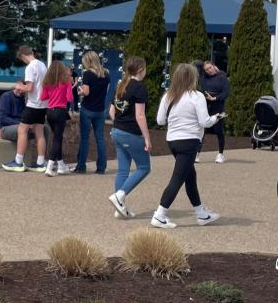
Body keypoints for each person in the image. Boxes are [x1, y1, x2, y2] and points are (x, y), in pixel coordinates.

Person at [151, 63, 221, 229]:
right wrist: (216, 118)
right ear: (192, 78)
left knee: (190, 176)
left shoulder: (168, 95)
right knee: (178, 179)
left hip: (172, 141)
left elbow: (160, 120)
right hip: (189, 141)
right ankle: (160, 214)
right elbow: (204, 122)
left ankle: (201, 214)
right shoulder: (196, 96)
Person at [108, 56, 151, 218]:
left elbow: (111, 111)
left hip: (116, 132)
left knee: (123, 171)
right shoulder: (139, 87)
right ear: (141, 70)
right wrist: (147, 138)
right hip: (131, 134)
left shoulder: (121, 85)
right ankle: (119, 197)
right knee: (144, 168)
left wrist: (119, 124)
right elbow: (140, 116)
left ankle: (119, 207)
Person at [2, 44, 47, 172]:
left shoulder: (30, 67)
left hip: (33, 104)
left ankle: (18, 161)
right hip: (43, 104)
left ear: (22, 55)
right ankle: (40, 162)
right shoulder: (42, 65)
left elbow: (29, 88)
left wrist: (18, 86)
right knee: (40, 132)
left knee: (22, 130)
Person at [75, 51, 110, 174]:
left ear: (88, 61)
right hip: (100, 109)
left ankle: (81, 166)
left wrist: (80, 90)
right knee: (100, 138)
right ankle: (101, 167)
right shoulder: (106, 73)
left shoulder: (88, 74)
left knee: (85, 138)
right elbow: (106, 91)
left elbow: (86, 92)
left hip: (88, 108)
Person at [39, 59, 74, 176]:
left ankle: (61, 165)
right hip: (60, 111)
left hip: (49, 112)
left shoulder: (47, 82)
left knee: (56, 138)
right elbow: (70, 98)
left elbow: (43, 97)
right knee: (57, 139)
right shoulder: (66, 81)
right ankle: (49, 167)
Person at [196, 60, 230, 164]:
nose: (209, 70)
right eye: (206, 69)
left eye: (210, 68)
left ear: (214, 66)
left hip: (218, 106)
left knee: (219, 130)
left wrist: (215, 98)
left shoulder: (222, 77)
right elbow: (197, 65)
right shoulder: (203, 78)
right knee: (202, 130)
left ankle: (220, 154)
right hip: (206, 106)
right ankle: (197, 153)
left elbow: (226, 92)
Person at [0, 80, 37, 165]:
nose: (23, 91)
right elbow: (3, 119)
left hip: (22, 127)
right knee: (24, 128)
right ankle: (19, 161)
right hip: (5, 129)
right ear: (18, 86)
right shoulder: (6, 97)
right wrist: (22, 123)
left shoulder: (25, 99)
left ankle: (41, 160)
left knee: (44, 129)